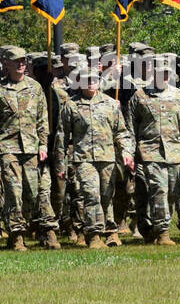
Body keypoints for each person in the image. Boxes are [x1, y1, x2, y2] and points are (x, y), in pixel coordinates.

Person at [56, 68, 134, 248]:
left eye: (95, 78)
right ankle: (93, 235)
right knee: (91, 195)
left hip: (107, 157)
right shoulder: (71, 105)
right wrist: (61, 165)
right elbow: (62, 137)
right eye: (87, 79)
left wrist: (126, 153)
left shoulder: (110, 104)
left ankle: (110, 232)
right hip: (84, 159)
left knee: (106, 197)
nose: (92, 81)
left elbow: (121, 132)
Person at [0, 46, 56, 251]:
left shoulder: (35, 88)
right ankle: (17, 234)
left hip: (31, 146)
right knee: (13, 191)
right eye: (16, 61)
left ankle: (18, 227)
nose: (21, 64)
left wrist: (43, 144)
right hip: (7, 147)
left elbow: (42, 119)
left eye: (23, 60)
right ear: (6, 64)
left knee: (32, 192)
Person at [127, 54, 180, 245]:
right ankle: (163, 232)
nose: (164, 76)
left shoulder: (178, 96)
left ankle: (156, 226)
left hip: (174, 151)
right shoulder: (140, 96)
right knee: (158, 189)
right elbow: (131, 128)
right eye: (161, 72)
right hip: (149, 151)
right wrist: (130, 153)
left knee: (173, 192)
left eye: (167, 73)